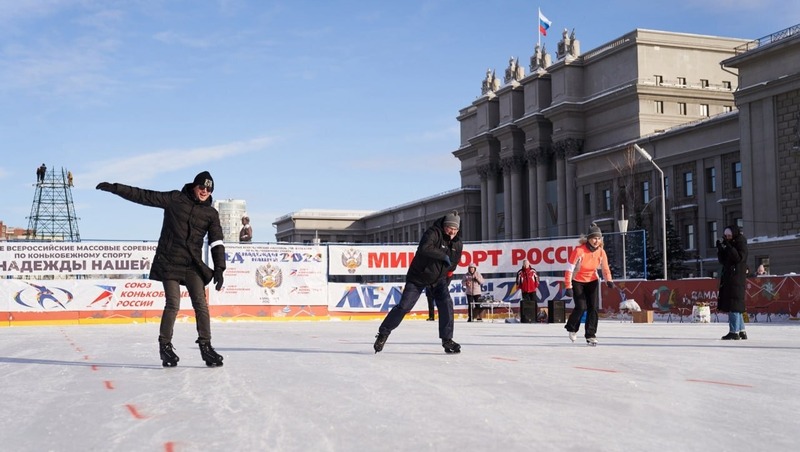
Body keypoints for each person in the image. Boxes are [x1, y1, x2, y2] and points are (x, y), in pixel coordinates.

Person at [96, 171, 227, 367]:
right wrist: (116, 188)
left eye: (209, 189)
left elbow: (216, 241)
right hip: (170, 261)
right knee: (173, 304)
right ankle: (165, 346)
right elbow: (145, 196)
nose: (205, 191)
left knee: (201, 304)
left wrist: (219, 268)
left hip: (192, 264)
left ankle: (206, 346)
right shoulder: (175, 199)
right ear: (194, 186)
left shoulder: (211, 213)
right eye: (202, 187)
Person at [373, 211, 464, 354]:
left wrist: (447, 277)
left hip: (439, 279)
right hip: (418, 277)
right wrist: (443, 256)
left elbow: (454, 263)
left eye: (455, 229)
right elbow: (424, 248)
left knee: (446, 304)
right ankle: (384, 332)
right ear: (445, 225)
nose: (452, 231)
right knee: (404, 307)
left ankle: (447, 340)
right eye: (449, 228)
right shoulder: (433, 233)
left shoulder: (458, 243)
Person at [563, 223, 614, 345]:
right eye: (594, 238)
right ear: (589, 239)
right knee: (581, 307)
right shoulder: (579, 250)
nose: (596, 241)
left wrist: (609, 280)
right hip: (577, 281)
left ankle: (590, 335)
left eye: (599, 238)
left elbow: (605, 268)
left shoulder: (601, 252)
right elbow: (569, 269)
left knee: (593, 308)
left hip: (592, 281)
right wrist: (568, 286)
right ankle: (572, 327)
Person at [717, 225, 748, 340]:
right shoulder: (732, 244)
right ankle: (741, 331)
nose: (727, 238)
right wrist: (720, 249)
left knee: (733, 305)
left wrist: (729, 246)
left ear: (734, 234)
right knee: (736, 305)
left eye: (729, 236)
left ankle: (734, 331)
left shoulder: (741, 243)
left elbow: (738, 258)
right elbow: (724, 261)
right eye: (726, 236)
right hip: (731, 277)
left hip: (736, 278)